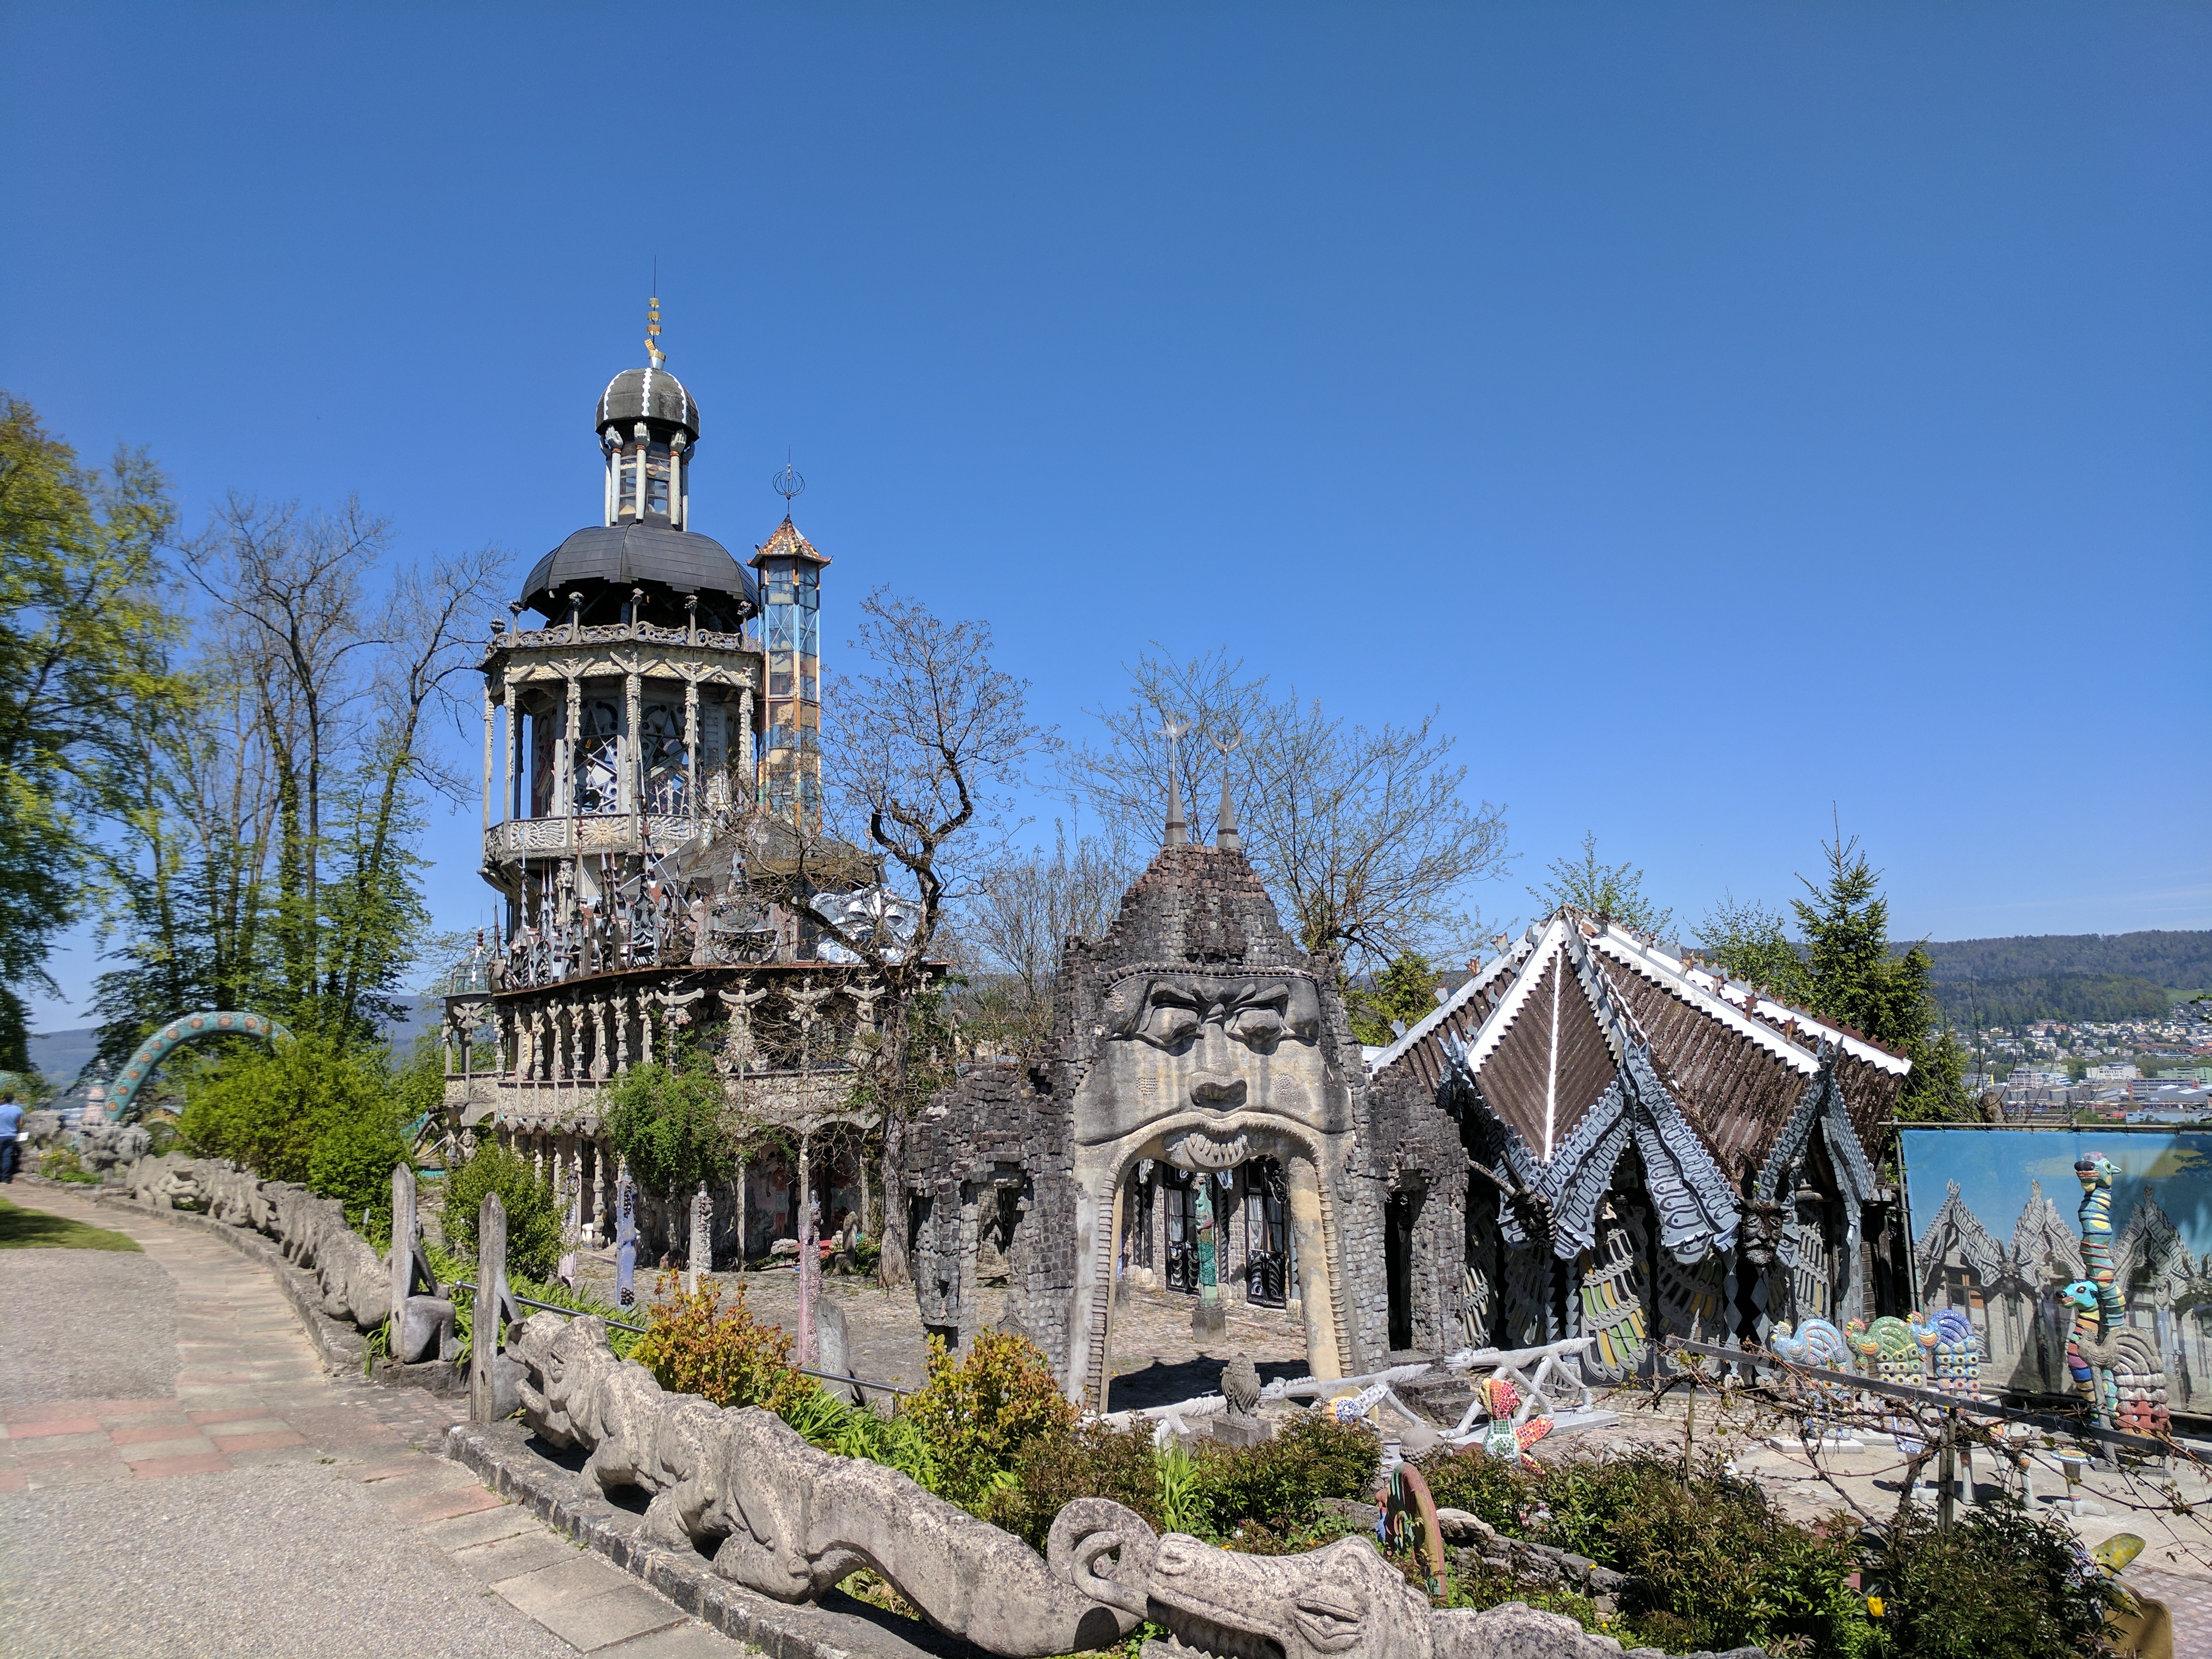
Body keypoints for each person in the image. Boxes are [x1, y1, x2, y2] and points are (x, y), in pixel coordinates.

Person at [0, 1089, 22, 1183]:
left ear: (4, 1099)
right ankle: (5, 1179)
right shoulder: (18, 1109)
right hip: (11, 1136)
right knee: (7, 1157)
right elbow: (20, 1124)